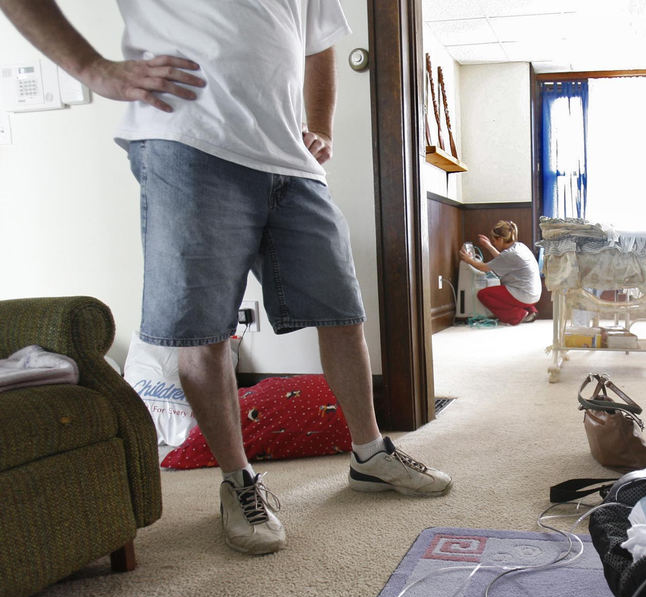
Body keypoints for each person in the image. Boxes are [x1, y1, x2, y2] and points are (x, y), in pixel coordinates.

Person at [0, 0, 452, 556]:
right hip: (187, 141)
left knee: (342, 313)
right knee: (203, 331)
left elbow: (318, 46)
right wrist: (96, 71)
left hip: (292, 161)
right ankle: (239, 482)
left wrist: (321, 129)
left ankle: (370, 453)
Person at [457, 220, 541, 325]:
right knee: (507, 290)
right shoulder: (520, 247)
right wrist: (489, 246)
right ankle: (531, 311)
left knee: (483, 294)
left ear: (501, 239)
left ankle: (518, 315)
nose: (493, 243)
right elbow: (502, 260)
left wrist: (468, 259)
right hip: (534, 294)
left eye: (494, 241)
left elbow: (484, 268)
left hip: (525, 295)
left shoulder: (510, 254)